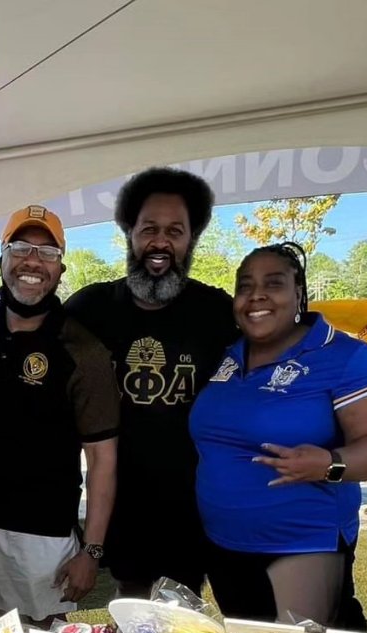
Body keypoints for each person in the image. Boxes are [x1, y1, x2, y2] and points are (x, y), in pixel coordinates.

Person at [188, 242, 367, 625]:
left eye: (273, 283)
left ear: (299, 293)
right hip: (224, 543)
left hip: (303, 545)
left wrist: (330, 464)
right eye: (245, 286)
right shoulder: (227, 355)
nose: (256, 294)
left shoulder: (346, 357)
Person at [0, 206, 119, 633]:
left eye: (47, 252)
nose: (33, 261)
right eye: (20, 248)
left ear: (60, 269)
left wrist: (91, 551)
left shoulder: (82, 351)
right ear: (1, 259)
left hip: (44, 531)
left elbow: (102, 459)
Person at [64, 168, 237, 598]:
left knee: (183, 617)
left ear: (191, 239)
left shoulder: (217, 312)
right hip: (121, 506)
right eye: (149, 229)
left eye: (175, 231)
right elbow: (29, 329)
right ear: (130, 234)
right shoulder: (91, 308)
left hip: (194, 507)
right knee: (132, 609)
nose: (160, 242)